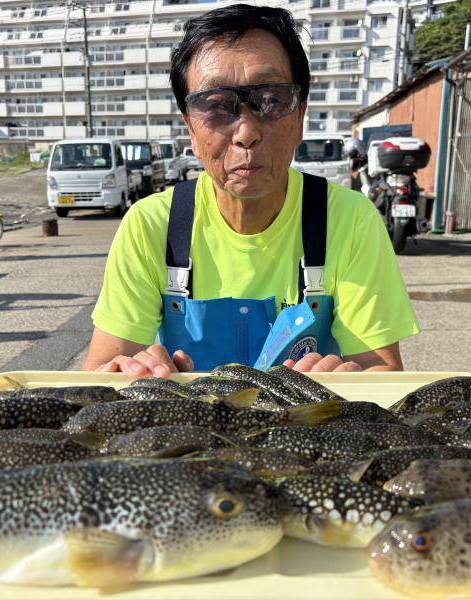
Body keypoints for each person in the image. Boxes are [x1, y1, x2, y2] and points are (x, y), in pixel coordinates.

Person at [82, 4, 420, 378]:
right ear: (190, 129)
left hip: (304, 427)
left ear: (300, 117)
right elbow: (102, 371)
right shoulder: (152, 225)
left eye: (271, 100)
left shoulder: (350, 221)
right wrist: (131, 369)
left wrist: (352, 379)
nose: (246, 132)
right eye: (215, 106)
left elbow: (381, 370)